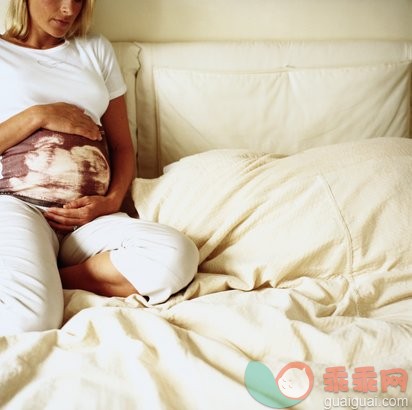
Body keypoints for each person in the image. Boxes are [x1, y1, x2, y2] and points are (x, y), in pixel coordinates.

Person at [0, 0, 199, 336]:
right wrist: (39, 115)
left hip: (88, 220)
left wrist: (109, 203)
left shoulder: (94, 50)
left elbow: (123, 147)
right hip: (20, 207)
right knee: (32, 320)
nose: (68, 9)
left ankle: (51, 277)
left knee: (177, 256)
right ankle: (37, 280)